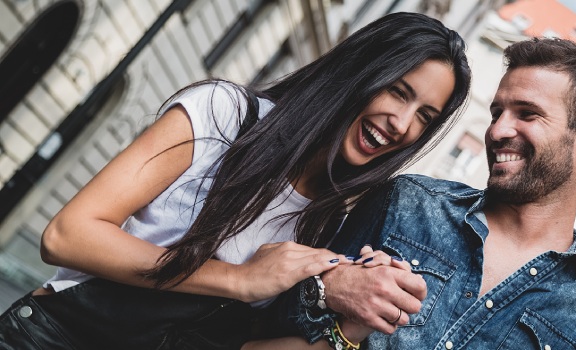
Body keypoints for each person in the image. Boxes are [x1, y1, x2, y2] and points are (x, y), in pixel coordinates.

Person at [0, 12, 470, 350]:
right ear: (359, 71)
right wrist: (239, 279)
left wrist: (353, 326)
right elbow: (67, 236)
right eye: (397, 90)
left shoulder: (328, 223)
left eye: (424, 117)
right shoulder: (224, 115)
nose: (402, 123)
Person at [252, 37, 576, 349]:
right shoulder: (406, 203)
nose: (498, 130)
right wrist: (328, 290)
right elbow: (271, 322)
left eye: (527, 114)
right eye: (496, 113)